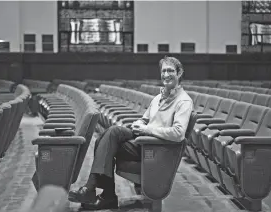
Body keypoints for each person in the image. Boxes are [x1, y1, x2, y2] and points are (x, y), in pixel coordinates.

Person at [68, 56, 194, 210]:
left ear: (179, 73)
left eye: (171, 71)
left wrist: (146, 129)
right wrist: (139, 124)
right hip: (143, 140)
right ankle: (101, 193)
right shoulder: (158, 98)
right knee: (105, 137)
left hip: (155, 149)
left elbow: (178, 133)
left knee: (106, 141)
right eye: (164, 71)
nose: (166, 75)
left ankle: (97, 190)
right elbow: (144, 119)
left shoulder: (183, 101)